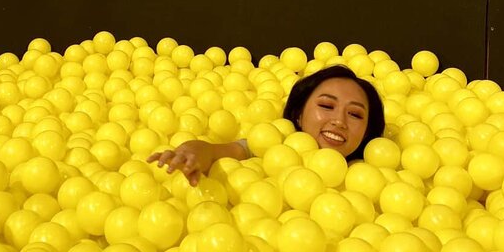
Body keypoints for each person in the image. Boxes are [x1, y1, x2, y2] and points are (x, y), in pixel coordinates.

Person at [148, 65, 385, 187]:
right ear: (298, 115)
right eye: (326, 106)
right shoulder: (269, 146)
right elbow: (216, 151)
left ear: (367, 131)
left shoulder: (371, 176)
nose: (339, 121)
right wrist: (189, 154)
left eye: (355, 114)